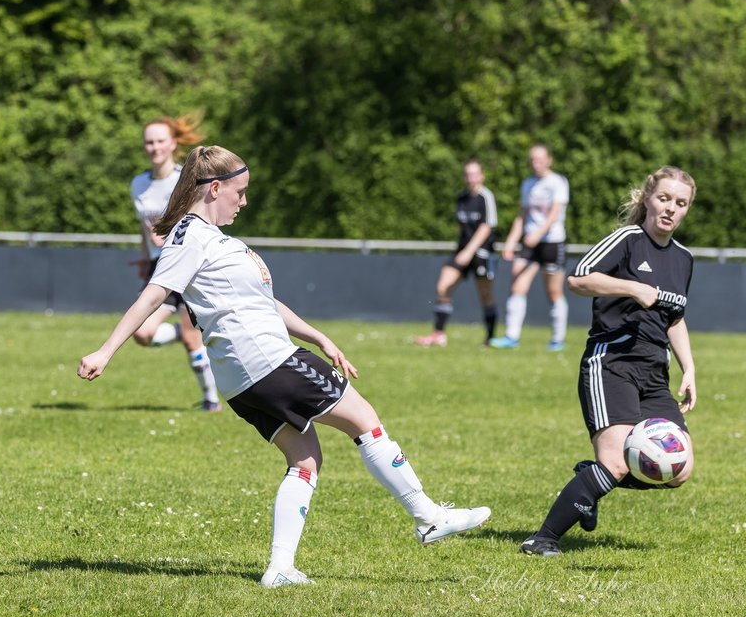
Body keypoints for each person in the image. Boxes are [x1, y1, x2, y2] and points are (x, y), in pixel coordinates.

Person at [81, 145, 491, 587]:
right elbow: (154, 294)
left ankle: (280, 568)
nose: (244, 201)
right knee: (366, 421)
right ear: (214, 188)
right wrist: (106, 350)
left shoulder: (212, 240)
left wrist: (317, 336)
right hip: (268, 361)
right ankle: (427, 515)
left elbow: (263, 302)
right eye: (240, 192)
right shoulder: (192, 236)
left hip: (242, 379)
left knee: (306, 460)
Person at [520, 166, 697, 557]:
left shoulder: (684, 259)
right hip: (611, 364)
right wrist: (631, 287)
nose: (670, 209)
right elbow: (578, 279)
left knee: (679, 471)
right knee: (617, 463)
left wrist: (689, 369)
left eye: (680, 203)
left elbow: (676, 317)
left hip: (654, 373)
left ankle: (592, 477)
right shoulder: (628, 240)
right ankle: (543, 538)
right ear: (648, 198)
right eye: (664, 198)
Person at [128, 115, 220, 412]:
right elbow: (145, 227)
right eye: (149, 141)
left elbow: (201, 220)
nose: (154, 147)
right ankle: (185, 332)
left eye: (159, 141)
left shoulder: (185, 178)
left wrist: (169, 233)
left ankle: (211, 401)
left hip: (188, 263)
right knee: (142, 333)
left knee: (194, 343)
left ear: (173, 144)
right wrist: (145, 255)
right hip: (159, 266)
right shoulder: (138, 184)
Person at [489, 144, 570, 351]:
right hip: (530, 245)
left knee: (553, 291)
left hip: (552, 242)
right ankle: (511, 337)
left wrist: (538, 233)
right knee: (516, 285)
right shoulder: (528, 184)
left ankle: (557, 340)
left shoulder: (557, 182)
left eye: (540, 159)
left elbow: (554, 213)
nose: (536, 164)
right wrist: (511, 241)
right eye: (533, 160)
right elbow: (522, 216)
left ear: (549, 160)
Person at [416, 159, 499, 347]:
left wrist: (469, 252)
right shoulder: (461, 198)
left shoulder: (486, 197)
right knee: (443, 286)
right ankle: (439, 334)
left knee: (485, 295)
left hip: (481, 253)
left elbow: (486, 227)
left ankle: (490, 338)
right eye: (468, 174)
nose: (471, 178)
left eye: (475, 174)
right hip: (462, 251)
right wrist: (462, 250)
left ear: (482, 175)